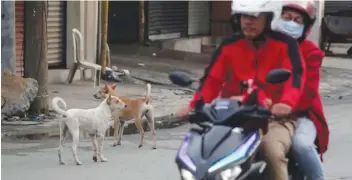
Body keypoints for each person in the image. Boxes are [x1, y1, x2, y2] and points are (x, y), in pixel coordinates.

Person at [176, 0, 306, 179]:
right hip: (232, 117)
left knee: (271, 150)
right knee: (201, 151)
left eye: (254, 16)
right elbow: (211, 81)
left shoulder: (285, 45)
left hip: (273, 118)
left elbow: (295, 80)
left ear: (269, 18)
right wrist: (194, 106)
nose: (247, 21)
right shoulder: (229, 45)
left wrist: (285, 103)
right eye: (244, 16)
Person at [275, 1, 330, 180]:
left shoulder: (311, 52)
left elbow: (308, 92)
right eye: (287, 18)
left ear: (305, 27)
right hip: (266, 111)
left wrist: (286, 107)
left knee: (301, 145)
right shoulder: (268, 47)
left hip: (302, 113)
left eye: (297, 20)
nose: (291, 23)